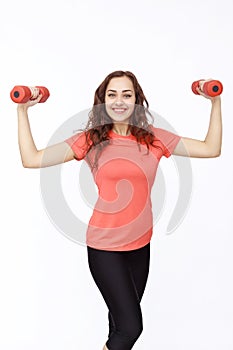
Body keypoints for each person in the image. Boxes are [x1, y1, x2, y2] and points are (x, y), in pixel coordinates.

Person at [17, 70, 222, 350]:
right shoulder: (91, 140)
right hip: (105, 248)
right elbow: (32, 159)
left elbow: (211, 148)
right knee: (130, 327)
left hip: (140, 246)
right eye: (112, 95)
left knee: (118, 328)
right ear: (103, 100)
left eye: (127, 94)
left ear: (137, 100)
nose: (119, 101)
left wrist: (215, 103)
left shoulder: (154, 138)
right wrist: (23, 111)